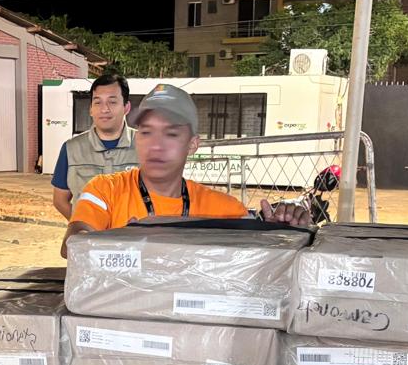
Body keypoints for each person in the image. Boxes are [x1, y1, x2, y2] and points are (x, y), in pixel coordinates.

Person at [62, 83, 309, 254]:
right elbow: (73, 243)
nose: (156, 145)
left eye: (171, 133)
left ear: (192, 144)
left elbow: (259, 265)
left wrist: (279, 234)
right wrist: (122, 241)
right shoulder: (105, 189)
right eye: (147, 132)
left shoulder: (225, 211)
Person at [51, 71, 140, 219]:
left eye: (112, 102)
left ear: (126, 107)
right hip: (87, 233)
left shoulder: (147, 146)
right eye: (98, 102)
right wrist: (83, 225)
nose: (104, 109)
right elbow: (60, 200)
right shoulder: (71, 149)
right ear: (91, 109)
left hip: (133, 233)